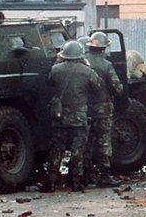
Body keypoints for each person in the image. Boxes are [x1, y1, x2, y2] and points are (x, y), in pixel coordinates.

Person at [41, 40, 103, 192]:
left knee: (57, 148)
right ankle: (76, 182)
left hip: (60, 116)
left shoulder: (55, 70)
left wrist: (57, 61)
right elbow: (98, 85)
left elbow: (48, 82)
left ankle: (51, 181)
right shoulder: (87, 71)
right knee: (77, 150)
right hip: (79, 117)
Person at [85, 32, 124, 188]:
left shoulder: (81, 61)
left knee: (86, 142)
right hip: (102, 109)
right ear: (103, 48)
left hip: (84, 109)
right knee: (103, 142)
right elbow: (118, 88)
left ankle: (86, 175)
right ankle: (105, 176)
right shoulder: (106, 65)